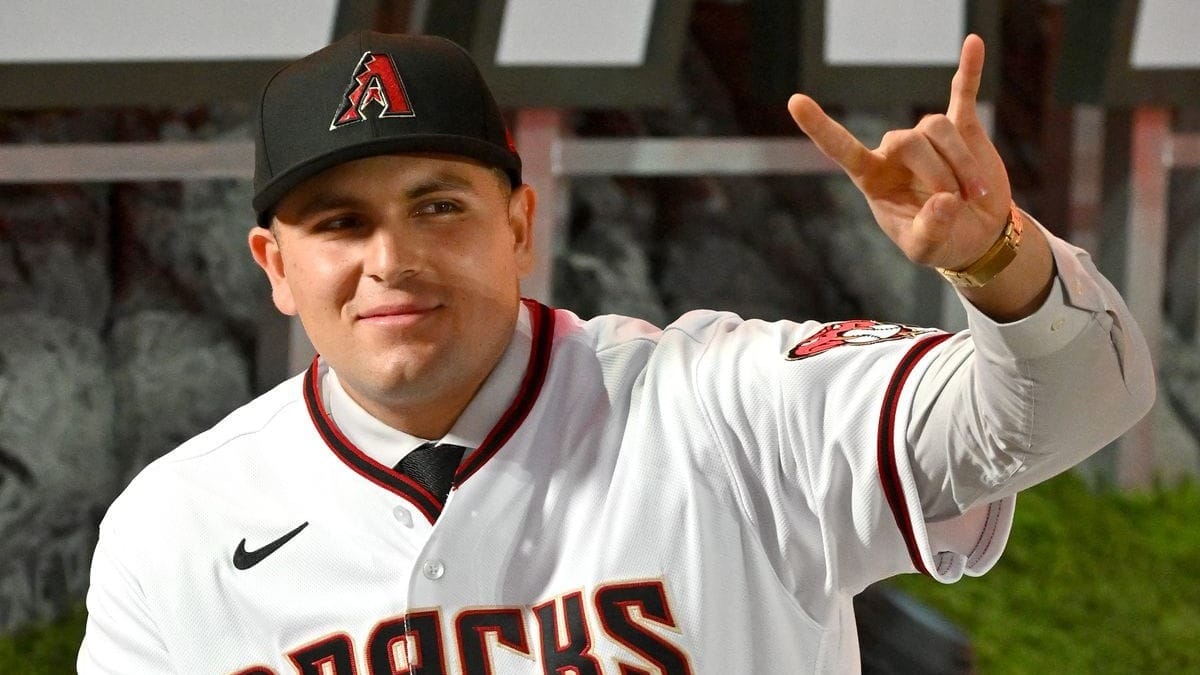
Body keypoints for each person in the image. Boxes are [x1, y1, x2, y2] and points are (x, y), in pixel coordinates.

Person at [78, 30, 1154, 674]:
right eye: (339, 224)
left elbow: (1072, 405)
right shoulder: (176, 526)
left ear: (518, 222)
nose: (392, 260)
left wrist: (1000, 264)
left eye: (438, 205)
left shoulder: (726, 404)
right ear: (275, 263)